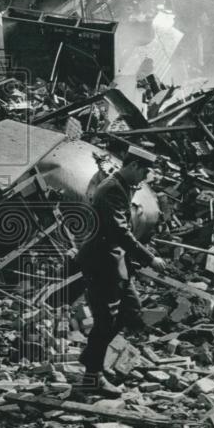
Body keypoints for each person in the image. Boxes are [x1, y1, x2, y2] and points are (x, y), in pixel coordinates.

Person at [76, 145, 166, 397]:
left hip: (116, 263)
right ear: (134, 166)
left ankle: (91, 358)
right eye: (144, 172)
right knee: (106, 321)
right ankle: (92, 378)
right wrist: (149, 258)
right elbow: (119, 231)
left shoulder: (122, 186)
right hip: (101, 263)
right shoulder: (111, 190)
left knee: (130, 312)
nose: (145, 178)